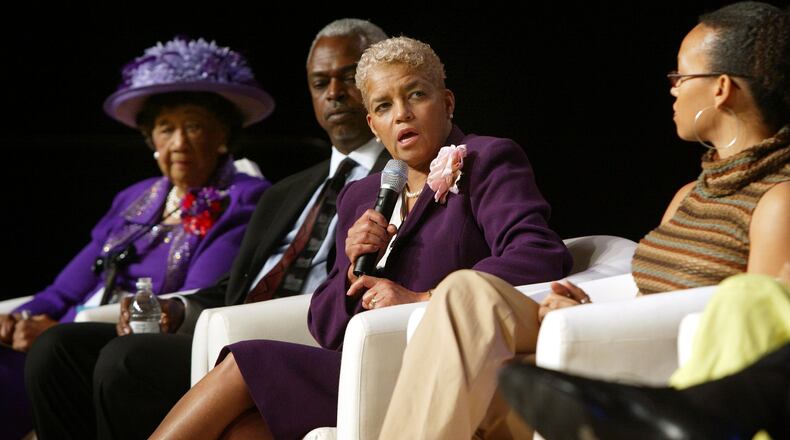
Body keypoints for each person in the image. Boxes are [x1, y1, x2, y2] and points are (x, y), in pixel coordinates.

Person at [377, 2, 790, 439]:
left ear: (722, 88)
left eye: (681, 78)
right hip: (615, 343)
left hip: (675, 388)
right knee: (465, 293)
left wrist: (595, 328)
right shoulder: (689, 196)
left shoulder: (777, 200)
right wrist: (586, 315)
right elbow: (651, 299)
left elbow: (755, 343)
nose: (672, 90)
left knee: (488, 385)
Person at [149, 36, 571, 440]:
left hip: (440, 364)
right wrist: (353, 263)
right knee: (243, 432)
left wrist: (421, 298)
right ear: (373, 125)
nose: (401, 114)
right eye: (384, 106)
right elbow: (326, 327)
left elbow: (537, 254)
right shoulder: (362, 196)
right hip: (363, 362)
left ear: (447, 102)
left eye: (416, 96)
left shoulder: (487, 160)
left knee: (244, 361)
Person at [24, 18, 390, 440]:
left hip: (303, 336)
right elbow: (234, 286)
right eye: (319, 82)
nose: (334, 94)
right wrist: (177, 308)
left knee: (126, 360)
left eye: (348, 78)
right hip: (229, 328)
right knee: (57, 350)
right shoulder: (290, 190)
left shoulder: (397, 178)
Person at [0, 36, 273, 440]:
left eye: (194, 126)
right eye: (166, 128)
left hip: (130, 344)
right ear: (152, 139)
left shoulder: (246, 200)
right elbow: (63, 289)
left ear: (222, 137)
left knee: (49, 355)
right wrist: (16, 321)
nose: (178, 143)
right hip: (64, 334)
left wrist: (61, 327)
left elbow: (196, 296)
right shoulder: (136, 196)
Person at [499, 263, 790, 440]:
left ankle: (680, 414)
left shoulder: (776, 197)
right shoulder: (687, 196)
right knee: (744, 298)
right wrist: (594, 316)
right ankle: (681, 413)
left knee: (747, 295)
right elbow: (648, 290)